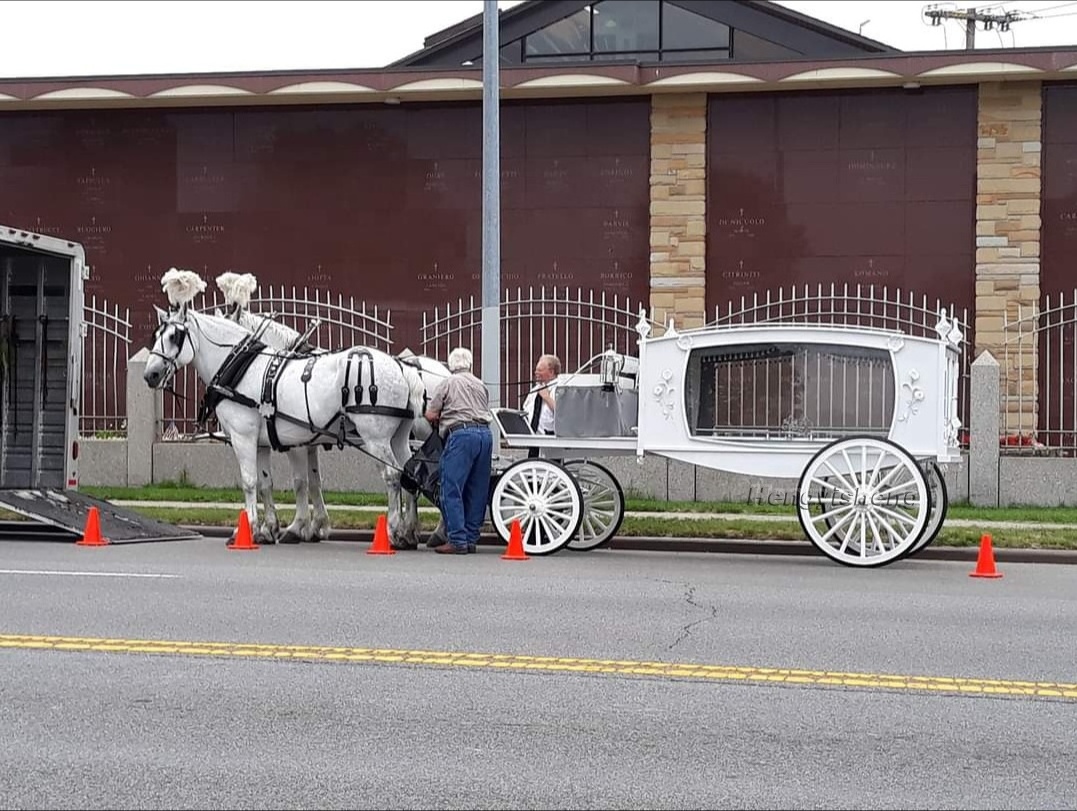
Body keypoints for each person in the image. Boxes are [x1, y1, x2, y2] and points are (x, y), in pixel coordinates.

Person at [424, 346, 493, 555]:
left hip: (461, 436)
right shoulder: (480, 384)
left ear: (451, 365)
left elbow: (431, 414)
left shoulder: (448, 383)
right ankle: (471, 539)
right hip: (485, 435)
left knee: (451, 488)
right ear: (470, 364)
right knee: (477, 489)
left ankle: (457, 539)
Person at [522, 353, 560, 459]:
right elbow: (526, 408)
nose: (536, 373)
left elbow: (562, 414)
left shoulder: (559, 388)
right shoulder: (535, 389)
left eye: (540, 370)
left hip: (550, 438)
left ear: (551, 371)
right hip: (534, 438)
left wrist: (547, 398)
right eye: (536, 370)